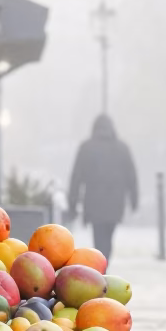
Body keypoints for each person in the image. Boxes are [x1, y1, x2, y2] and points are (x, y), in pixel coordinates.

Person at [67, 113, 138, 265]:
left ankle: (101, 265)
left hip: (94, 203)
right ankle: (104, 263)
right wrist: (134, 200)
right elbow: (131, 176)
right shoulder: (122, 148)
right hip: (115, 203)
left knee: (98, 237)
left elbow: (76, 177)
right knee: (108, 236)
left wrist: (72, 203)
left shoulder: (86, 148)